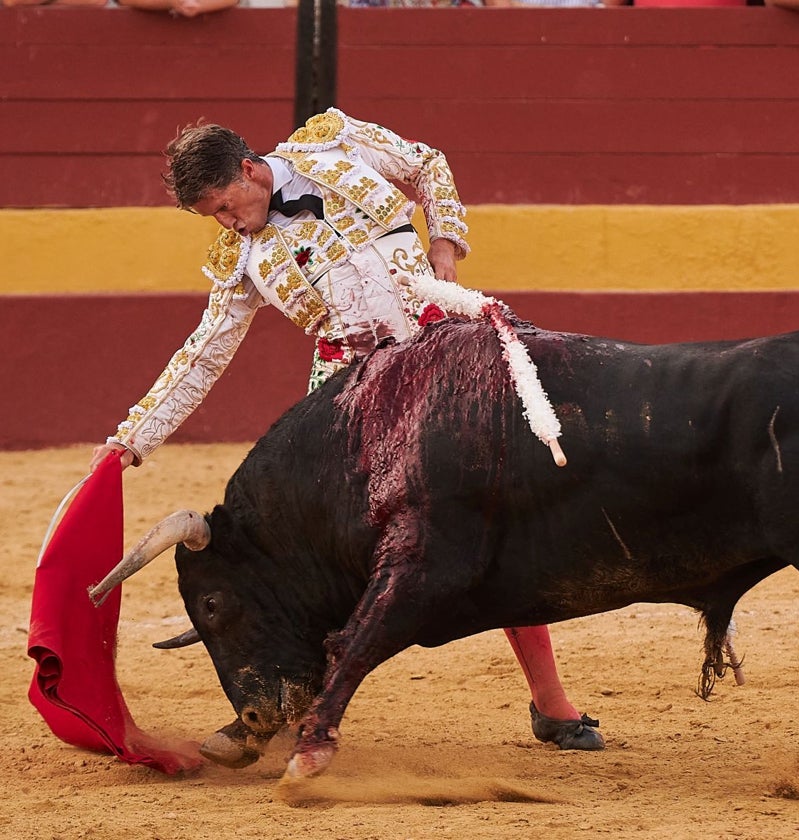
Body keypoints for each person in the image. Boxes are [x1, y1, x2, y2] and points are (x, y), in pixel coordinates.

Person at [89, 108, 604, 752]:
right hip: (351, 396)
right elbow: (204, 354)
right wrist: (133, 437)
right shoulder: (241, 258)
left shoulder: (332, 142)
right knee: (331, 558)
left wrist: (445, 241)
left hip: (445, 354)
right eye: (213, 218)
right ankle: (280, 709)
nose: (227, 224)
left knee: (497, 518)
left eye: (226, 206)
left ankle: (552, 705)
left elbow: (427, 162)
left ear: (249, 170)